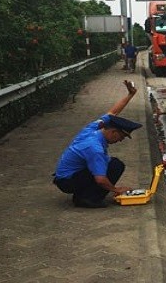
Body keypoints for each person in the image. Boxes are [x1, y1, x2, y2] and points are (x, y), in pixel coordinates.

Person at [53, 80, 140, 208]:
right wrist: (117, 190)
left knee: (109, 162)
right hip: (67, 181)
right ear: (113, 132)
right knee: (115, 166)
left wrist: (130, 95)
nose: (121, 140)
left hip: (66, 176)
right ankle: (88, 198)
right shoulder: (95, 148)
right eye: (121, 137)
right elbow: (100, 179)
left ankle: (83, 193)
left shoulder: (94, 128)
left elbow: (113, 113)